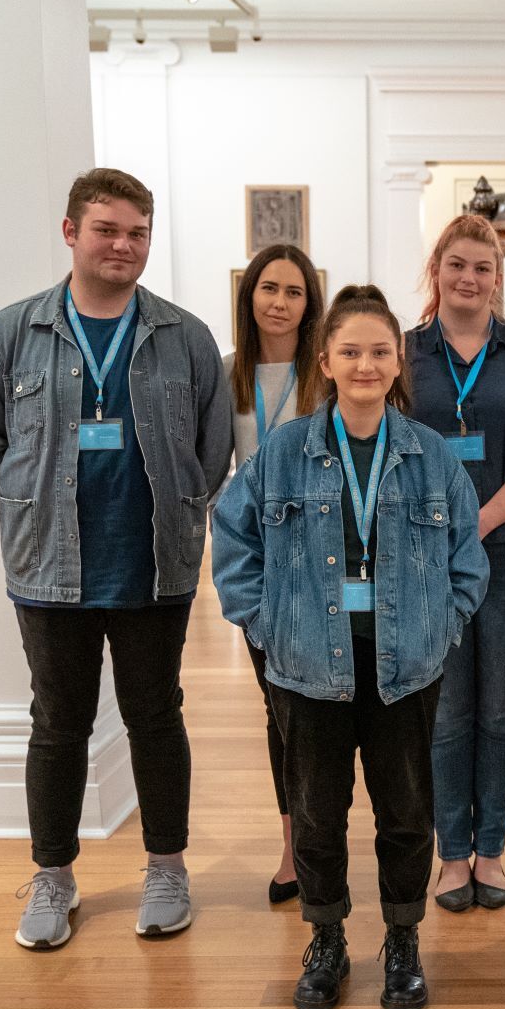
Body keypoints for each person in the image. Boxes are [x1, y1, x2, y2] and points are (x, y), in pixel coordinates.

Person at [0, 167, 232, 950]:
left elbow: (212, 454)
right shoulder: (13, 333)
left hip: (155, 568)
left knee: (156, 718)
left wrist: (179, 514)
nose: (124, 245)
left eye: (138, 232)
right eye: (108, 229)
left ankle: (167, 867)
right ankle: (53, 878)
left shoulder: (185, 337)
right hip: (49, 572)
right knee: (58, 724)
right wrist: (34, 512)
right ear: (71, 232)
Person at [211, 286, 488, 1009]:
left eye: (379, 351)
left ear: (399, 361)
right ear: (326, 361)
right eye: (349, 352)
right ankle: (326, 937)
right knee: (316, 812)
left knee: (405, 812)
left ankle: (402, 941)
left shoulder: (429, 456)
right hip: (307, 668)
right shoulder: (283, 450)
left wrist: (444, 621)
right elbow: (234, 540)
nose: (365, 365)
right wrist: (263, 623)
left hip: (405, 671)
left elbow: (468, 555)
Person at [406, 214, 505, 912]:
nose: (469, 278)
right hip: (425, 562)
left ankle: (491, 852)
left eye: (483, 268)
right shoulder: (406, 353)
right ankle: (451, 856)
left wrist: (476, 522)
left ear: (498, 279)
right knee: (444, 715)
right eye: (457, 265)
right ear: (436, 271)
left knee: (500, 713)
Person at [222, 243, 325, 905]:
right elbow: (214, 469)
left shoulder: (326, 375)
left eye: (293, 291)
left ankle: (327, 836)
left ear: (309, 303)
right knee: (277, 708)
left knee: (319, 707)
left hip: (323, 562)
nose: (279, 302)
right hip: (260, 566)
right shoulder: (229, 374)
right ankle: (294, 847)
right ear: (249, 297)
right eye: (269, 289)